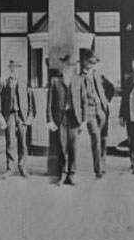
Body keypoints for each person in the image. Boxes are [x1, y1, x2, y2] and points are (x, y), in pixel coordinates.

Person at [47, 54, 83, 185]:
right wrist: (50, 120)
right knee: (61, 147)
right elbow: (49, 103)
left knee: (73, 147)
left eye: (72, 65)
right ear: (63, 65)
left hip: (74, 118)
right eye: (67, 65)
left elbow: (83, 102)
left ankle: (72, 174)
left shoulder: (79, 80)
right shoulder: (55, 81)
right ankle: (61, 174)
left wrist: (83, 121)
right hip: (59, 119)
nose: (69, 68)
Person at [0, 59, 36, 177]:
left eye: (16, 67)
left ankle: (22, 167)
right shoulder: (4, 83)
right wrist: (0, 117)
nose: (14, 69)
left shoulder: (25, 83)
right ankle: (10, 168)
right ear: (9, 69)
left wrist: (30, 117)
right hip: (9, 115)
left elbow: (31, 102)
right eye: (11, 67)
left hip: (22, 116)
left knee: (23, 142)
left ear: (20, 69)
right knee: (10, 142)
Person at [79, 52, 110, 178]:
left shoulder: (98, 76)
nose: (92, 65)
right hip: (90, 112)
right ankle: (98, 169)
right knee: (96, 139)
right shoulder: (80, 77)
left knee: (103, 139)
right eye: (90, 62)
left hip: (102, 110)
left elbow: (110, 87)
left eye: (94, 63)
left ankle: (102, 163)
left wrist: (106, 101)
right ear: (85, 62)